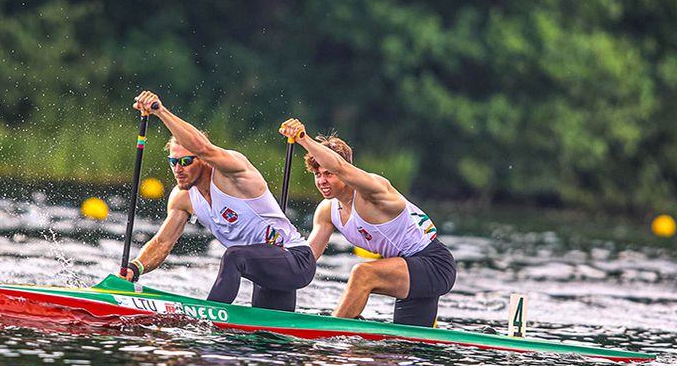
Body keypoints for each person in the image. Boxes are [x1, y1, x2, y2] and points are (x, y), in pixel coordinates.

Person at [119, 91, 316, 312]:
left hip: (296, 260)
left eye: (185, 161)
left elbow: (203, 147)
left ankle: (208, 317)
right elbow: (162, 244)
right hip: (265, 269)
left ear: (202, 159)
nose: (178, 169)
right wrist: (135, 269)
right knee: (269, 337)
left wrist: (160, 112)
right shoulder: (182, 197)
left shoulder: (233, 173)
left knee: (234, 256)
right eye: (173, 162)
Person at [278, 118, 456, 327]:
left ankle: (331, 331)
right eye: (317, 175)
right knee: (408, 347)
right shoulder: (327, 211)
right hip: (407, 269)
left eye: (328, 174)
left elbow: (340, 166)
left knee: (362, 274)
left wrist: (303, 140)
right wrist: (275, 260)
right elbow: (305, 261)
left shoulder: (373, 191)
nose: (321, 181)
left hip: (435, 265)